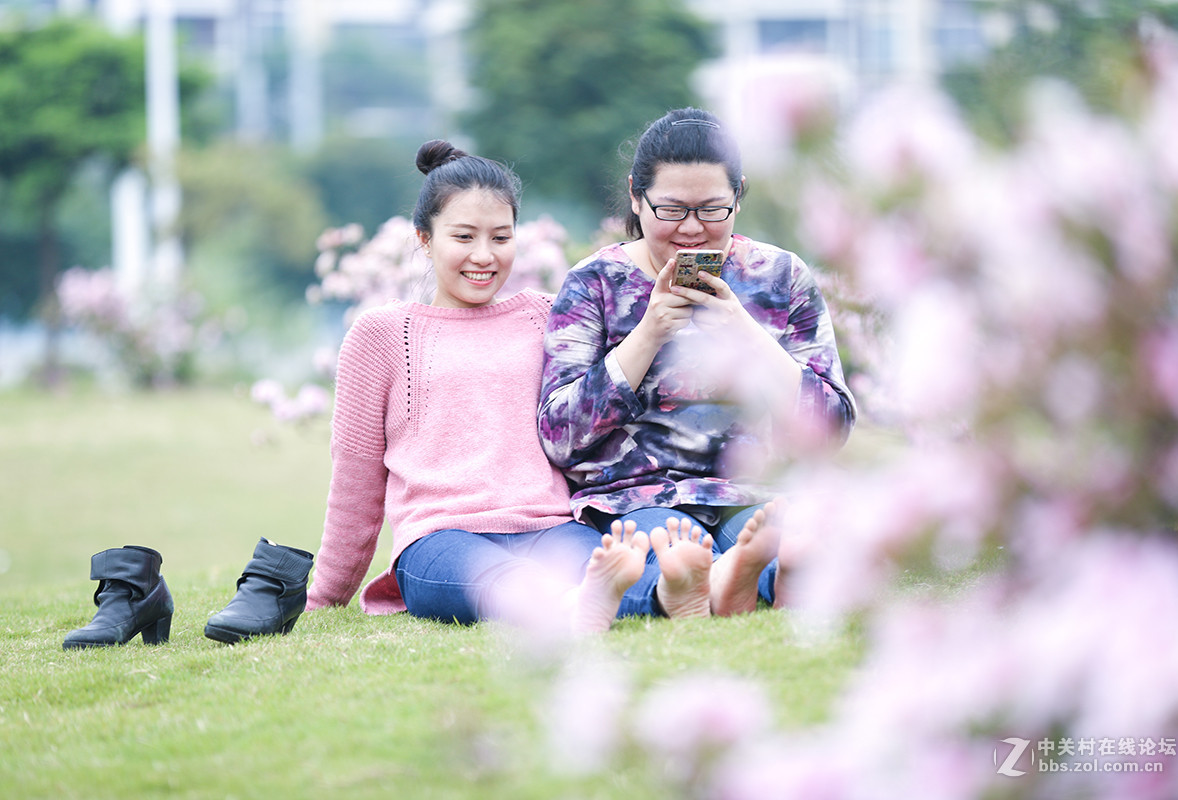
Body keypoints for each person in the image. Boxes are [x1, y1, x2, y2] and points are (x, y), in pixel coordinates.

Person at [303, 140, 650, 635]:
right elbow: (355, 485)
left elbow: (599, 410)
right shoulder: (380, 336)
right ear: (424, 238)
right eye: (463, 237)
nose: (483, 256)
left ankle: (715, 586)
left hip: (549, 524)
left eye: (501, 238)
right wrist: (324, 598)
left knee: (619, 572)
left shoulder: (548, 317)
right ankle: (567, 607)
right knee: (501, 582)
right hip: (440, 539)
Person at [538, 108, 857, 620]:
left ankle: (765, 574)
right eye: (671, 210)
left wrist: (748, 338)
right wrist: (647, 334)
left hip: (755, 486)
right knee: (654, 559)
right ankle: (723, 582)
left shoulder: (782, 277)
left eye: (712, 210)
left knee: (786, 538)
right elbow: (559, 435)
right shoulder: (594, 282)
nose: (691, 230)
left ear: (739, 196)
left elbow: (832, 427)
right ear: (636, 198)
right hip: (636, 494)